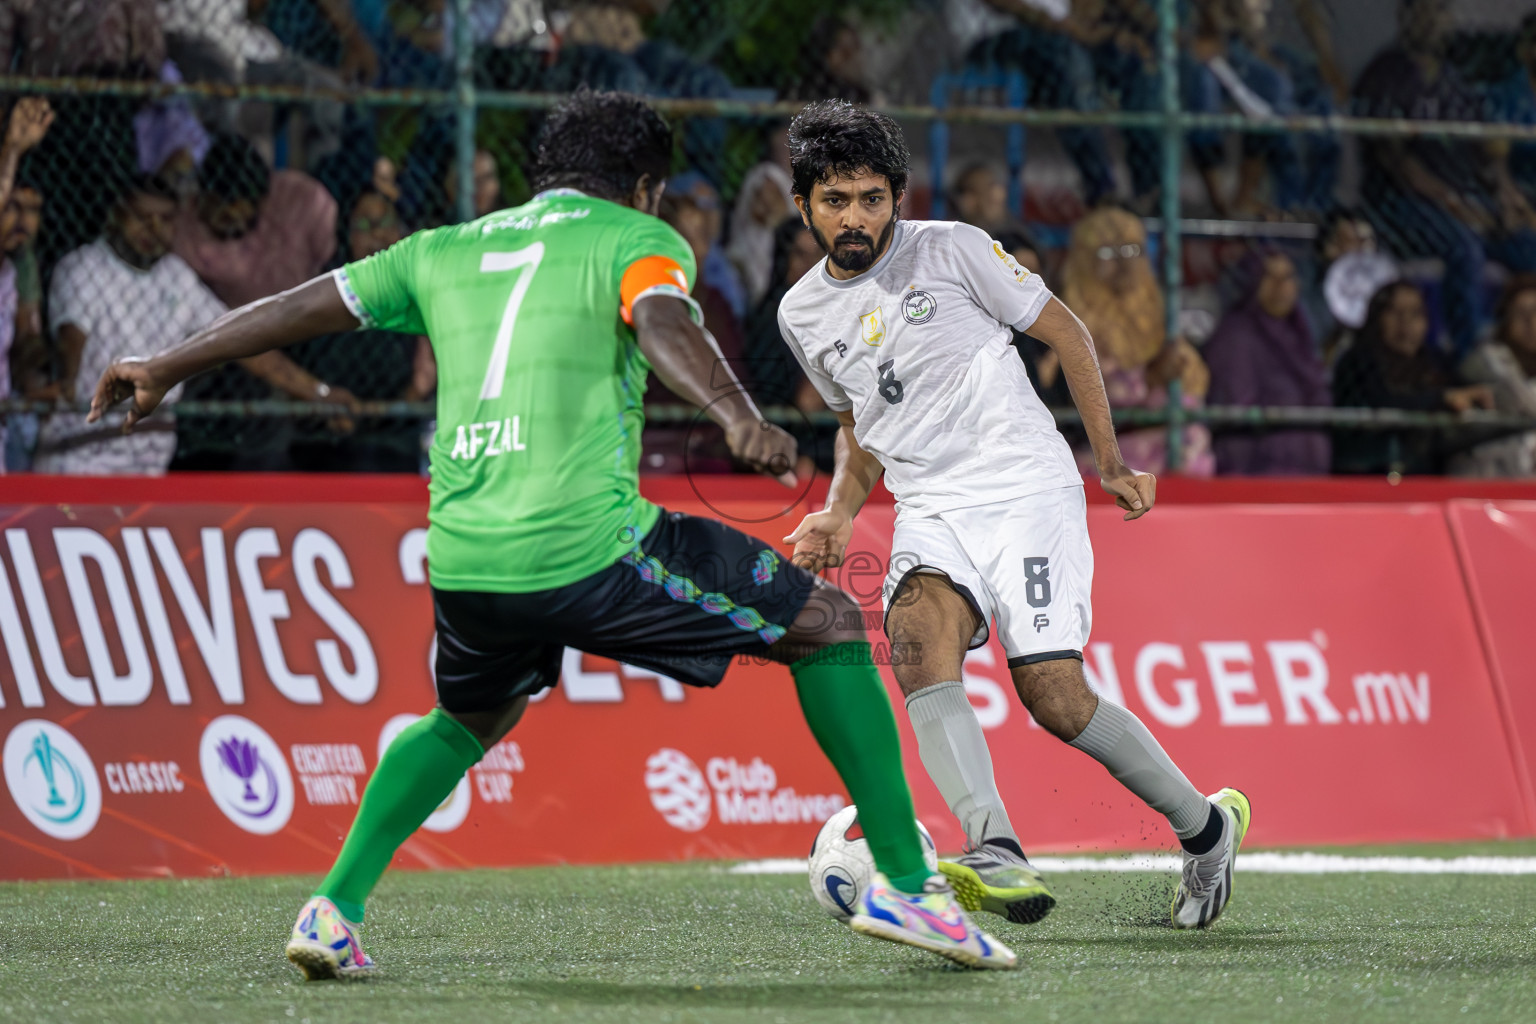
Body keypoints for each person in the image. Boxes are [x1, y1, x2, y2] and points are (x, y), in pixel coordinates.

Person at [89, 90, 1016, 975]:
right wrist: (735, 412)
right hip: (586, 546)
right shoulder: (638, 238)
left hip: (463, 558)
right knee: (827, 625)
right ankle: (905, 883)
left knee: (467, 716)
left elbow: (302, 305)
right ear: (647, 187)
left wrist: (165, 363)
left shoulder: (438, 248)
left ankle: (332, 911)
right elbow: (659, 320)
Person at [777, 100, 1249, 933]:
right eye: (836, 199)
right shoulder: (801, 314)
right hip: (928, 504)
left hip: (1026, 488)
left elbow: (1068, 334)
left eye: (872, 198)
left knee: (1054, 696)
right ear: (804, 203)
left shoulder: (953, 248)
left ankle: (1207, 829)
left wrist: (1107, 461)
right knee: (918, 642)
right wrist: (839, 509)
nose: (855, 217)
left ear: (896, 196)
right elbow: (860, 424)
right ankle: (995, 847)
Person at [1353, 0, 1536, 355]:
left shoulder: (1453, 78)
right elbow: (1397, 162)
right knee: (1464, 248)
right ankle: (1469, 353)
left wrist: (1507, 195)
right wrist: (1455, 204)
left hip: (1464, 198)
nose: (1432, 20)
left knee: (1527, 246)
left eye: (1439, 10)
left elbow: (1486, 150)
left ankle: (1521, 348)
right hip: (1399, 201)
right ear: (1404, 17)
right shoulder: (1386, 72)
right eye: (1422, 10)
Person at [172, 134, 360, 468]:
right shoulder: (182, 228)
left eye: (239, 217)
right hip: (230, 349)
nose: (230, 224)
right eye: (221, 217)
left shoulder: (305, 203)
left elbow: (343, 264)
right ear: (203, 199)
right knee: (252, 404)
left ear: (262, 201)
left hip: (310, 325)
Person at [32, 175, 225, 475]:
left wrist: (316, 393)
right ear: (116, 216)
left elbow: (237, 334)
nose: (154, 228)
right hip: (80, 455)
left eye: (165, 219)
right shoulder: (85, 266)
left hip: (149, 459)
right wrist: (67, 378)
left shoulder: (176, 275)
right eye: (141, 217)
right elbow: (71, 335)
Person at [1058, 207, 1215, 475]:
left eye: (1134, 250)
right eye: (1108, 252)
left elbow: (1195, 381)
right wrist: (1150, 380)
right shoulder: (1066, 322)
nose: (1124, 263)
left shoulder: (1154, 313)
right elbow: (1080, 403)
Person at [1332, 280, 1494, 475]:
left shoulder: (1434, 361)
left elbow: (1462, 393)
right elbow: (1380, 403)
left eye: (1415, 313)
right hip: (1368, 473)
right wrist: (1441, 399)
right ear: (1377, 318)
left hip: (1427, 474)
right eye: (1395, 312)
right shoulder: (1358, 360)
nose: (1405, 322)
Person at [1203, 249, 1331, 475]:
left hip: (1307, 472)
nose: (1280, 286)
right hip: (1259, 475)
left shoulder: (1299, 334)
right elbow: (1234, 412)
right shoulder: (1236, 337)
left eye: (1288, 277)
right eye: (1269, 277)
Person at [1449, 275, 1536, 478]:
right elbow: (1523, 404)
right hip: (1487, 475)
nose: (1530, 323)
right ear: (1505, 320)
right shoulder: (1485, 359)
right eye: (1521, 314)